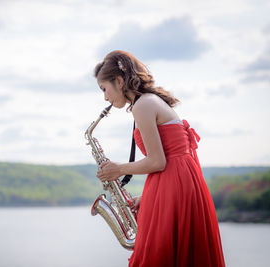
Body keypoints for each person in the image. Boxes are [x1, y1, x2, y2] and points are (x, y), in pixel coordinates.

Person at [94, 50, 225, 267]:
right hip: (180, 181)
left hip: (174, 180)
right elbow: (170, 161)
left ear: (118, 81)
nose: (105, 97)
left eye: (104, 89)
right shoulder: (149, 101)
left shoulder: (142, 105)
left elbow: (158, 162)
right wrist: (149, 198)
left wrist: (117, 169)